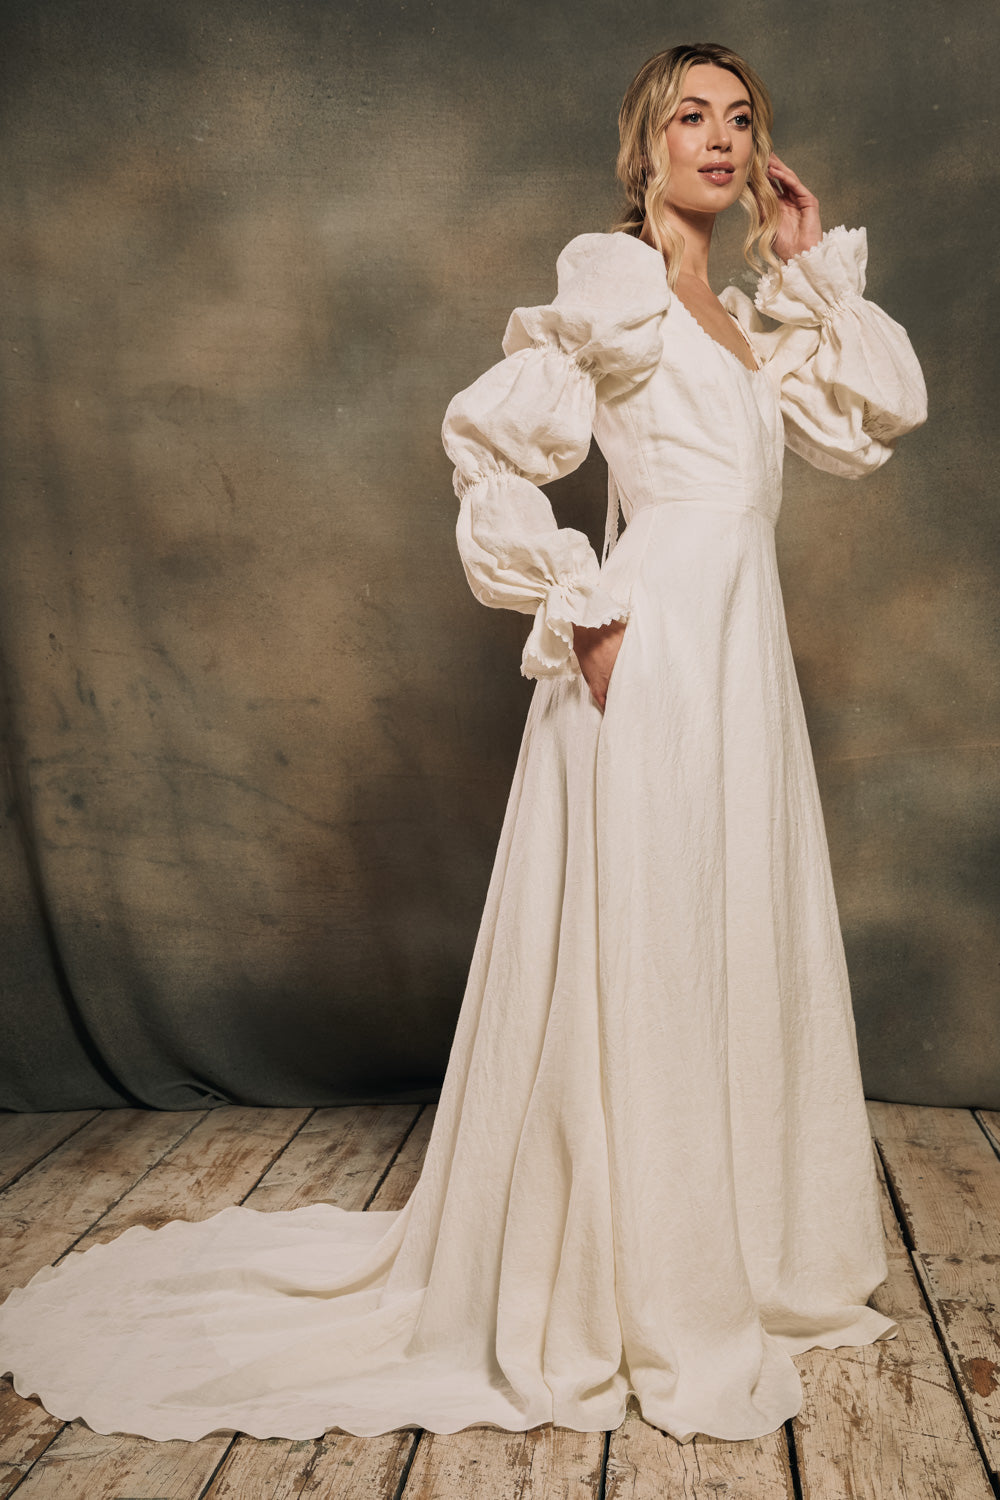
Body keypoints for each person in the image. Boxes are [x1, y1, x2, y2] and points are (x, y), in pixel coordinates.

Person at [0, 42, 927, 1445]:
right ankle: (627, 1283)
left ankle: (725, 1252)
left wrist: (804, 260)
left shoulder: (750, 315)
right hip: (654, 645)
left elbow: (875, 417)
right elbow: (493, 446)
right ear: (646, 147)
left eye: (743, 121)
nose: (722, 141)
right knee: (646, 942)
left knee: (724, 936)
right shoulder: (612, 283)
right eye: (693, 117)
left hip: (745, 663)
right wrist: (581, 602)